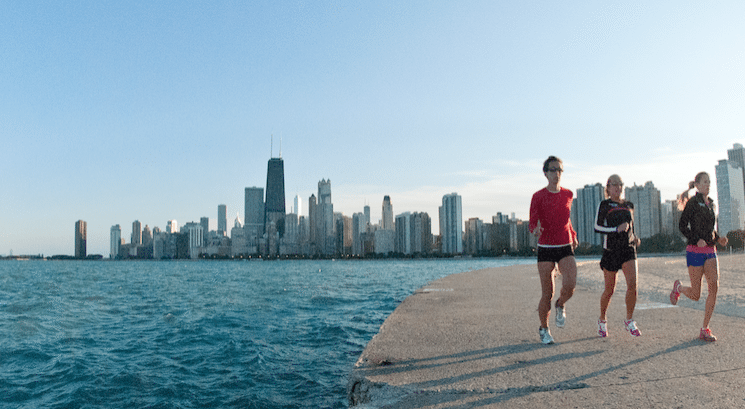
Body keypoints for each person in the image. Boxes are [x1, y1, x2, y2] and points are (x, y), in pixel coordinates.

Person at [669, 172, 728, 342]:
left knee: (714, 287)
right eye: (705, 182)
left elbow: (710, 230)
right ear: (697, 185)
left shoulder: (712, 204)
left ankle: (704, 329)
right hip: (694, 251)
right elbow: (682, 226)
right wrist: (696, 240)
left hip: (710, 250)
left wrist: (719, 239)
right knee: (696, 294)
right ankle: (679, 288)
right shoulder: (693, 203)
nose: (708, 185)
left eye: (709, 182)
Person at [529, 155, 579, 345]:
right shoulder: (538, 196)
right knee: (547, 293)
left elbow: (566, 219)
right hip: (546, 247)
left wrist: (573, 234)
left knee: (570, 285)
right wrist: (535, 230)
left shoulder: (568, 194)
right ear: (545, 173)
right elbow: (532, 222)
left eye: (559, 170)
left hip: (565, 244)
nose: (556, 173)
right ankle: (544, 329)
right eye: (553, 170)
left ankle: (561, 304)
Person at [594, 174, 642, 338]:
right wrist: (615, 229)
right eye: (614, 184)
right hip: (611, 250)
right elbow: (597, 227)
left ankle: (629, 320)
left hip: (628, 249)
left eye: (620, 184)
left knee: (633, 285)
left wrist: (635, 237)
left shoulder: (628, 205)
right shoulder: (604, 205)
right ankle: (602, 320)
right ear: (608, 188)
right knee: (609, 290)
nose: (618, 187)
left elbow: (630, 226)